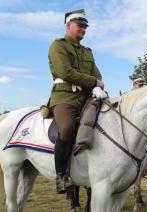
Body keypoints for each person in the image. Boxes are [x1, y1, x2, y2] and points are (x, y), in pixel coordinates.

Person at [48, 9, 107, 194]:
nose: (83, 29)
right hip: (65, 96)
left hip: (86, 97)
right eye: (80, 26)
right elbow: (65, 73)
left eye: (85, 27)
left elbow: (97, 75)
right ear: (68, 25)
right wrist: (93, 82)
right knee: (66, 128)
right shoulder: (58, 46)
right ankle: (61, 176)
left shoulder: (87, 52)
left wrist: (97, 86)